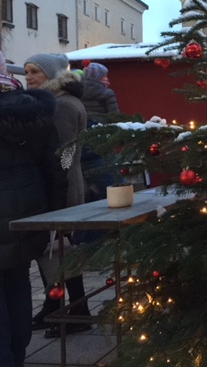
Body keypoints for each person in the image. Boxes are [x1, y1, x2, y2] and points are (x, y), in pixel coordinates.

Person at [0, 70, 68, 367]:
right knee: (17, 283)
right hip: (27, 216)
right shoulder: (34, 113)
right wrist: (54, 218)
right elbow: (55, 168)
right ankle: (17, 355)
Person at [23, 54, 92, 337]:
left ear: (50, 76)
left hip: (61, 185)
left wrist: (58, 190)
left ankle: (75, 310)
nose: (28, 77)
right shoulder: (57, 101)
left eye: (34, 72)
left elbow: (63, 153)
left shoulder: (61, 105)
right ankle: (55, 307)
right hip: (60, 182)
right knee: (52, 248)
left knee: (59, 248)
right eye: (26, 71)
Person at [80, 62, 119, 204]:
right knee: (111, 176)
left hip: (85, 139)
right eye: (105, 76)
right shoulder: (107, 93)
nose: (107, 79)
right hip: (104, 137)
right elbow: (115, 117)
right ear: (99, 77)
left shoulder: (79, 92)